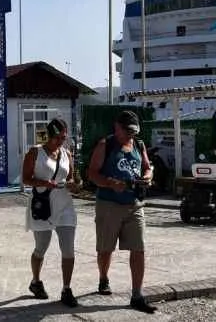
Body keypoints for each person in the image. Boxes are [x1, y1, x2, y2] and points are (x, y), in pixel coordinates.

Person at [87, 110, 156, 314]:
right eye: (127, 131)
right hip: (109, 204)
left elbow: (147, 166)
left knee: (139, 249)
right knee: (105, 248)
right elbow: (92, 173)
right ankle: (103, 278)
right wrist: (109, 183)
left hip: (134, 204)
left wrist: (148, 176)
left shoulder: (138, 144)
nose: (130, 136)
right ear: (117, 127)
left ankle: (137, 294)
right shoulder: (105, 145)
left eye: (133, 132)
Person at [22, 119, 80, 307]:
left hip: (65, 207)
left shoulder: (66, 154)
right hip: (43, 207)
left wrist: (74, 185)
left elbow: (71, 177)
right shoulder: (35, 153)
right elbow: (25, 179)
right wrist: (44, 183)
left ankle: (66, 288)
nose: (60, 141)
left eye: (63, 137)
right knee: (41, 248)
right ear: (49, 135)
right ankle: (35, 282)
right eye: (57, 138)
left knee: (68, 250)